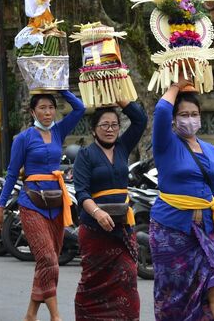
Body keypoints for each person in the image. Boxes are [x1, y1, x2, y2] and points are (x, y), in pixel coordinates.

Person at [150, 72, 214, 321]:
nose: (190, 119)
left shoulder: (209, 150)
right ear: (174, 119)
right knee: (174, 297)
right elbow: (160, 110)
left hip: (208, 228)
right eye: (184, 115)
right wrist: (177, 85)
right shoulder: (165, 144)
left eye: (194, 114)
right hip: (172, 230)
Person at [0, 90, 86, 321]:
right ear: (33, 111)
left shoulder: (58, 131)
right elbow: (12, 174)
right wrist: (0, 208)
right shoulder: (23, 138)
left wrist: (60, 89)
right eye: (42, 108)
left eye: (51, 107)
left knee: (47, 261)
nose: (47, 112)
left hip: (55, 204)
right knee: (48, 260)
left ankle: (31, 314)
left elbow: (81, 109)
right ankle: (55, 315)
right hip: (31, 204)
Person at [73, 100, 147, 320]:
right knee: (92, 282)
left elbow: (140, 119)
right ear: (94, 130)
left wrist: (120, 101)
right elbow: (82, 193)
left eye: (114, 125)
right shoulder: (86, 155)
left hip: (122, 227)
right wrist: (97, 213)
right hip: (95, 229)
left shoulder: (123, 147)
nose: (110, 129)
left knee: (128, 276)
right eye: (104, 125)